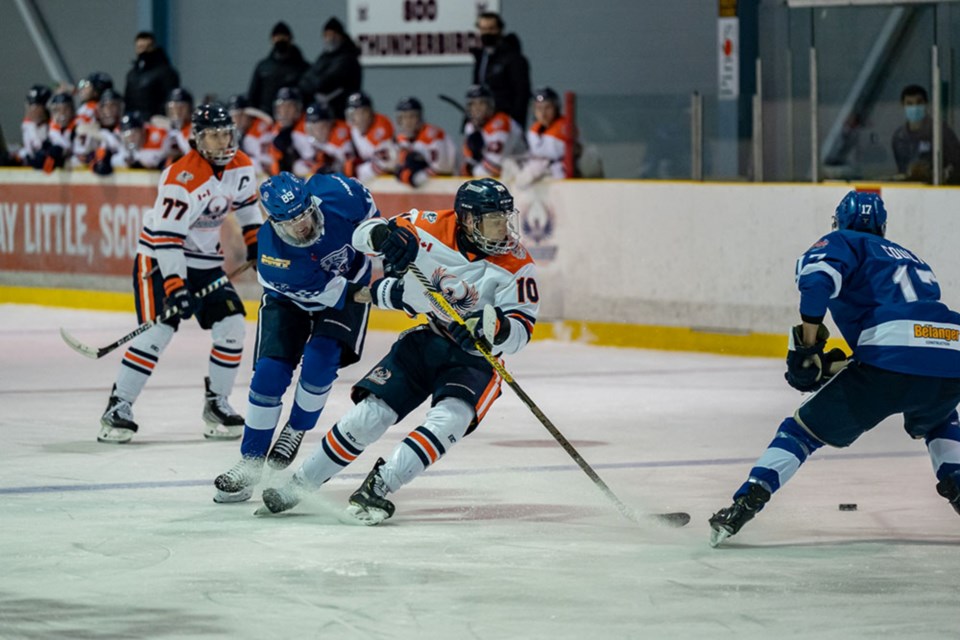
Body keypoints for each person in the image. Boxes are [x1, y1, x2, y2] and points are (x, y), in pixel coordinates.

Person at [254, 177, 540, 525]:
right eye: (495, 220)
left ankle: (379, 486)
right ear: (468, 219)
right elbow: (366, 234)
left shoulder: (518, 265)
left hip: (474, 360)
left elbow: (521, 332)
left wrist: (496, 329)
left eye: (506, 218)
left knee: (451, 418)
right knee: (370, 415)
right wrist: (383, 237)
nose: (504, 229)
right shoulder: (430, 225)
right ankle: (301, 484)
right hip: (425, 340)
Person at [709, 190, 960, 547]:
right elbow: (909, 333)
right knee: (940, 419)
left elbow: (816, 284)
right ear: (881, 226)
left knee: (799, 432)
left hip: (890, 356)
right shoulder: (913, 258)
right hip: (952, 351)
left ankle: (746, 502)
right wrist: (841, 364)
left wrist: (809, 346)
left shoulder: (842, 241)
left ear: (840, 221)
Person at [97, 103, 262, 444]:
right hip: (158, 260)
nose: (222, 142)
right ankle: (119, 405)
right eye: (214, 136)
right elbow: (166, 239)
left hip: (204, 263)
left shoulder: (242, 165)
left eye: (226, 134)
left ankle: (217, 403)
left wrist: (255, 243)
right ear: (198, 139)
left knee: (232, 325)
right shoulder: (179, 178)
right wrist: (175, 286)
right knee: (158, 331)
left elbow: (247, 209)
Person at [213, 171, 379, 503]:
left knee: (318, 367)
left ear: (311, 202)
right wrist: (387, 294)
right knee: (270, 375)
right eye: (290, 221)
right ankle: (251, 460)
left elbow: (372, 220)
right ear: (273, 220)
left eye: (303, 214)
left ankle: (296, 428)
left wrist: (389, 241)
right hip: (296, 298)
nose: (301, 225)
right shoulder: (276, 256)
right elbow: (341, 294)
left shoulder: (340, 193)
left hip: (348, 282)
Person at [471, 11, 531, 128]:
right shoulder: (482, 58)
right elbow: (476, 88)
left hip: (506, 120)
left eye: (491, 29)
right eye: (483, 29)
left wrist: (516, 122)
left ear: (500, 30)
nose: (487, 33)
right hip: (483, 120)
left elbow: (521, 93)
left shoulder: (513, 58)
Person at [891, 84, 960, 185]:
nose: (914, 107)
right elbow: (901, 170)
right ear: (903, 105)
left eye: (919, 103)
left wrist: (936, 173)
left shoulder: (940, 131)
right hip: (909, 190)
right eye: (909, 104)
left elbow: (957, 163)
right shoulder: (899, 137)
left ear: (926, 104)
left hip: (938, 188)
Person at [298, 17, 362, 120]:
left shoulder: (348, 58)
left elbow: (324, 82)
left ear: (341, 36)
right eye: (326, 35)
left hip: (341, 113)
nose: (329, 38)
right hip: (324, 114)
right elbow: (304, 79)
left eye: (333, 35)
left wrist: (313, 83)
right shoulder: (324, 57)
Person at [461, 84, 524, 178]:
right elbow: (468, 162)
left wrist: (471, 169)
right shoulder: (470, 127)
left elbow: (494, 168)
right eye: (473, 104)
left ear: (490, 105)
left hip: (522, 173)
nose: (477, 108)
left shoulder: (500, 122)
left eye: (482, 103)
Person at [247, 21, 309, 114]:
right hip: (267, 117)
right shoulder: (263, 67)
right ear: (272, 40)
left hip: (293, 117)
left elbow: (308, 94)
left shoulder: (302, 67)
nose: (280, 40)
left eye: (284, 37)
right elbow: (253, 95)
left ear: (290, 39)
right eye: (277, 37)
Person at [393, 96, 455, 188]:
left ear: (420, 117)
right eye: (403, 117)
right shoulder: (401, 139)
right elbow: (399, 168)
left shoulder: (433, 135)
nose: (407, 121)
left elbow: (444, 169)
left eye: (412, 116)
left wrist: (417, 177)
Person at [342, 91, 398, 184]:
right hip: (372, 181)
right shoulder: (353, 129)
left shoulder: (382, 126)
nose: (360, 118)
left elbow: (388, 164)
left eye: (363, 112)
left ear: (371, 112)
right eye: (355, 114)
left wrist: (358, 171)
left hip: (391, 180)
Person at [124, 31, 180, 117]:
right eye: (140, 47)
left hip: (157, 121)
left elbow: (170, 99)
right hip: (136, 122)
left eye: (148, 47)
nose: (143, 51)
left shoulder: (166, 72)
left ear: (153, 47)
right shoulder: (132, 74)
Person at [267, 86, 312, 175]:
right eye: (281, 107)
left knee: (300, 167)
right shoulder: (276, 129)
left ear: (297, 108)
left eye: (289, 106)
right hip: (290, 178)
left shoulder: (308, 124)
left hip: (313, 173)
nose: (285, 111)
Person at [300, 101, 354, 175]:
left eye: (321, 126)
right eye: (312, 127)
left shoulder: (341, 133)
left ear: (330, 123)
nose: (316, 131)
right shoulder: (309, 138)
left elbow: (349, 163)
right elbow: (308, 161)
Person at [227, 94, 273, 175]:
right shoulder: (240, 133)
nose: (237, 119)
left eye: (240, 115)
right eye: (234, 116)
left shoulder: (259, 130)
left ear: (249, 114)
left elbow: (266, 162)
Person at [15, 84, 51, 168]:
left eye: (35, 105)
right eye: (29, 104)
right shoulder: (28, 124)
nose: (30, 109)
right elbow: (28, 150)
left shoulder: (53, 126)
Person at [165, 87, 194, 162]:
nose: (176, 112)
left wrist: (178, 135)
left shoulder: (194, 128)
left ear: (190, 108)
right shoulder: (165, 128)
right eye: (172, 108)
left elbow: (190, 153)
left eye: (181, 108)